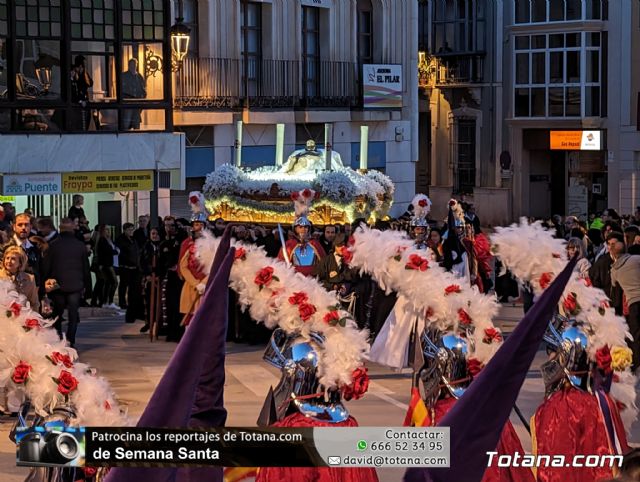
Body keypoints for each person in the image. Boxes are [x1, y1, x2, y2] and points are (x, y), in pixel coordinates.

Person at [42, 218, 90, 348]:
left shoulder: (53, 245)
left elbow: (47, 266)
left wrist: (43, 284)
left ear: (60, 228)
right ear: (72, 229)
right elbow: (86, 267)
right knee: (73, 314)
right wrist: (87, 286)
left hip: (57, 286)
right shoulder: (80, 246)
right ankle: (70, 339)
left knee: (57, 313)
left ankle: (58, 338)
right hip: (75, 285)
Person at [608, 231, 640, 372]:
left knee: (636, 335)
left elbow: (615, 291)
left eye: (613, 244)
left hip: (633, 305)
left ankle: (636, 365)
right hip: (635, 303)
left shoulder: (615, 271)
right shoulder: (635, 260)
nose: (611, 247)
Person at [178, 193, 209, 327]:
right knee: (190, 319)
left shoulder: (211, 244)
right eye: (196, 224)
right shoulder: (187, 244)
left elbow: (214, 265)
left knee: (205, 319)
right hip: (191, 286)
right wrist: (196, 283)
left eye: (201, 224)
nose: (199, 227)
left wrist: (204, 282)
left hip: (207, 286)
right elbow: (183, 266)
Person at [2, 213, 43, 292]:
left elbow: (40, 272)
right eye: (20, 225)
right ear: (14, 227)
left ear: (31, 227)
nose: (23, 228)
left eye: (26, 225)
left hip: (34, 294)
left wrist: (43, 295)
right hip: (11, 293)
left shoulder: (36, 247)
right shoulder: (5, 247)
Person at [115, 222, 143, 323]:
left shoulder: (133, 239)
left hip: (134, 267)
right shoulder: (121, 240)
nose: (131, 231)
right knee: (123, 284)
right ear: (125, 230)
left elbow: (136, 251)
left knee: (133, 287)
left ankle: (130, 302)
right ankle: (122, 302)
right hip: (125, 267)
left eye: (132, 229)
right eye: (130, 230)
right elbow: (120, 253)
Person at [139, 227, 163, 334]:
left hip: (160, 277)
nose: (154, 236)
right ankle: (148, 322)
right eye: (153, 233)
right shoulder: (146, 246)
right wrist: (147, 275)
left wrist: (159, 275)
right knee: (148, 301)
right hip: (149, 278)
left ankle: (160, 325)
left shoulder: (162, 245)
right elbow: (141, 262)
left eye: (156, 233)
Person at [0, 246, 39, 310]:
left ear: (20, 263)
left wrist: (34, 318)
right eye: (7, 258)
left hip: (22, 316)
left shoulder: (30, 279)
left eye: (13, 259)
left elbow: (34, 303)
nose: (9, 261)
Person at [96, 224, 119, 309]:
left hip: (109, 263)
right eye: (106, 230)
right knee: (114, 282)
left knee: (109, 283)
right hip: (106, 264)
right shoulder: (102, 240)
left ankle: (106, 301)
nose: (108, 231)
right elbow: (108, 251)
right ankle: (109, 301)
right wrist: (116, 251)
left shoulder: (108, 240)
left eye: (109, 230)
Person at [121, 58, 146, 130]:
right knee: (126, 122)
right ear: (128, 66)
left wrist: (142, 100)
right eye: (131, 65)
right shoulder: (124, 76)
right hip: (127, 103)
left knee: (136, 123)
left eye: (134, 65)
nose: (133, 66)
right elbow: (122, 89)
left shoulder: (139, 77)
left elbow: (143, 90)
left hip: (137, 103)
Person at [70, 55, 93, 131]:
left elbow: (90, 83)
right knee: (80, 123)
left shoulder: (84, 73)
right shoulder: (74, 73)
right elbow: (74, 88)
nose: (81, 68)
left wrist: (84, 73)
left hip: (85, 100)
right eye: (80, 67)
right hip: (77, 102)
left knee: (86, 122)